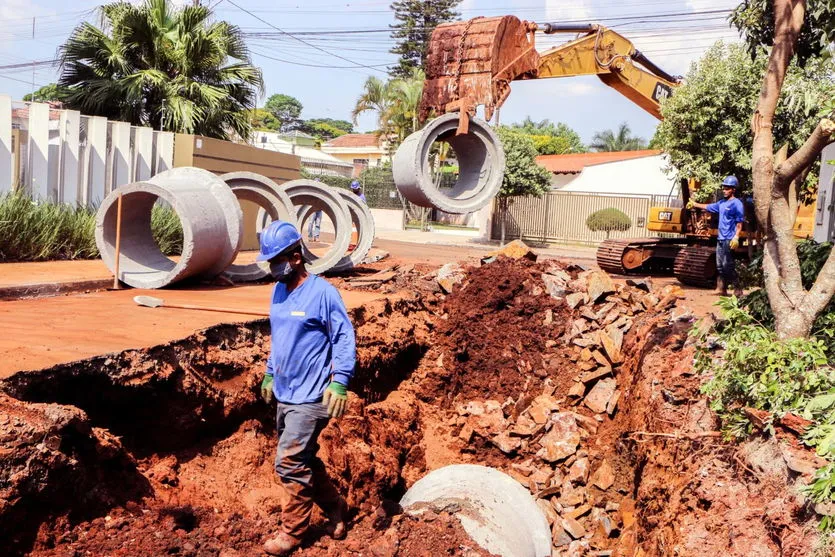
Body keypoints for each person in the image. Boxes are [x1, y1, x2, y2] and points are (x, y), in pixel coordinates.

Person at [257, 220, 355, 555]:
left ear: (296, 257)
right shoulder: (279, 290)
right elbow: (280, 339)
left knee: (288, 461)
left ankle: (292, 533)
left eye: (277, 260)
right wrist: (271, 372)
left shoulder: (323, 294)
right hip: (286, 391)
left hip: (312, 396)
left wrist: (340, 381)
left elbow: (344, 338)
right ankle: (335, 507)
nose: (272, 268)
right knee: (306, 459)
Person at [687, 175, 745, 296]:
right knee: (719, 266)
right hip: (720, 238)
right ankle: (722, 289)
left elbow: (739, 223)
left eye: (727, 188)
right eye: (723, 188)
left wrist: (736, 236)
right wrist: (694, 204)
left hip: (729, 239)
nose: (724, 190)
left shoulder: (737, 204)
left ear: (733, 189)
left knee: (727, 265)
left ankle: (737, 288)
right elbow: (708, 206)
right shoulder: (721, 203)